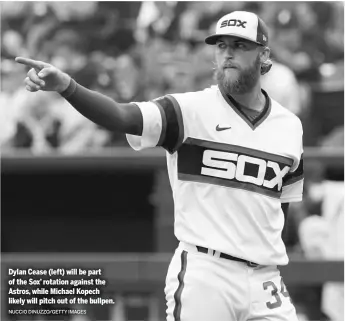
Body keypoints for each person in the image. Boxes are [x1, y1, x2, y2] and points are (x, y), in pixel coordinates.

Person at [16, 11, 304, 321]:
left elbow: (282, 211)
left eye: (240, 45)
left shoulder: (289, 126)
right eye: (221, 45)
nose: (228, 53)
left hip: (265, 280)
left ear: (264, 55)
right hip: (207, 273)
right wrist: (67, 86)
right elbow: (121, 116)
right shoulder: (189, 110)